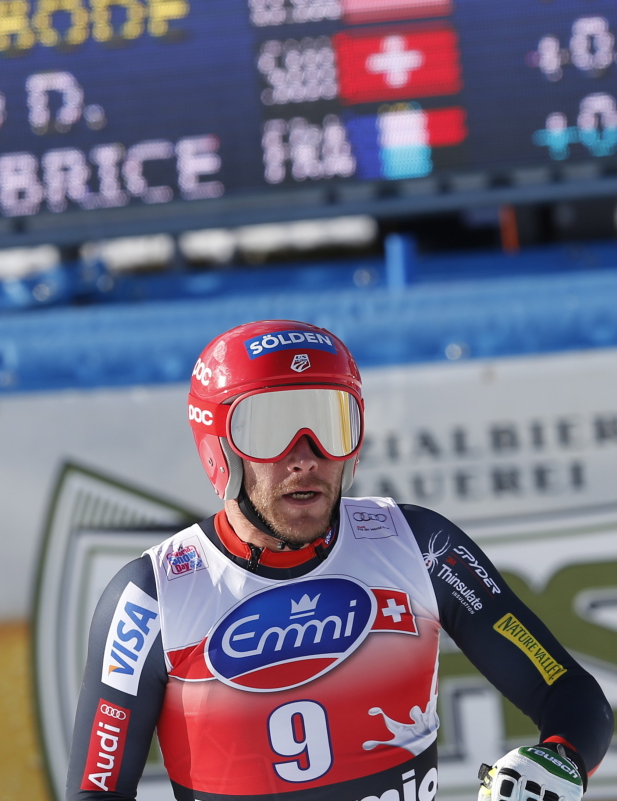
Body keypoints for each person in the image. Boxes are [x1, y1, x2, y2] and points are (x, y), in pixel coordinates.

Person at [66, 319, 613, 801]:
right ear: (219, 447)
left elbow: (567, 691)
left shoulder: (418, 545)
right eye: (269, 430)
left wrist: (558, 760)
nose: (306, 457)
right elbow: (96, 791)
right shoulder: (152, 594)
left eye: (329, 425)